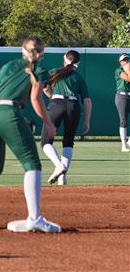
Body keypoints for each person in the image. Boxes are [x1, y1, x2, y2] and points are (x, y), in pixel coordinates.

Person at [0, 36, 61, 233]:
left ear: (22, 50)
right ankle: (35, 219)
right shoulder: (39, 69)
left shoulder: (8, 65)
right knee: (32, 164)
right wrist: (48, 123)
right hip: (7, 113)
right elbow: (35, 99)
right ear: (42, 53)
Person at [41, 50, 92, 185]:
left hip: (56, 103)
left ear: (64, 60)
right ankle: (62, 178)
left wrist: (52, 98)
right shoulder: (79, 78)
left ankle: (59, 166)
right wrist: (87, 121)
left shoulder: (54, 71)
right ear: (78, 64)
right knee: (68, 141)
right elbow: (87, 101)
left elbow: (45, 89)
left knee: (46, 141)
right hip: (73, 106)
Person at [115, 53, 130, 152]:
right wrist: (128, 68)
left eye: (127, 59)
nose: (126, 61)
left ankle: (129, 142)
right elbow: (128, 78)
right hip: (122, 96)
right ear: (120, 62)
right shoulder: (118, 70)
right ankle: (124, 145)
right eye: (124, 60)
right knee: (123, 121)